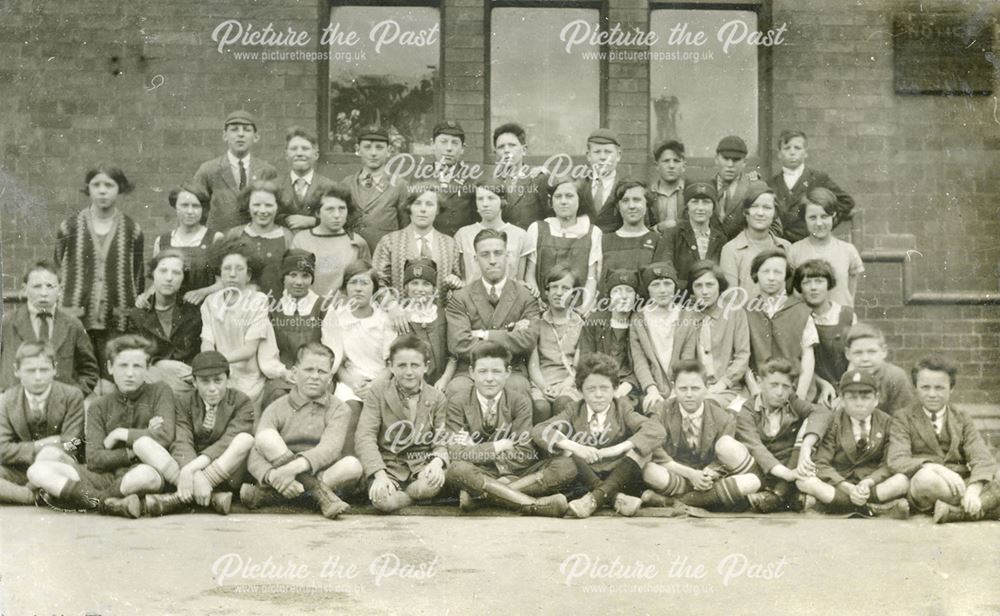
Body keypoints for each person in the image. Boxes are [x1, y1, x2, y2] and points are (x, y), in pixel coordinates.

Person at [27, 335, 177, 518]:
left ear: (147, 368)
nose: (129, 373)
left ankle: (92, 501)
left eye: (137, 366)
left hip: (140, 472)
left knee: (145, 476)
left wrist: (119, 434)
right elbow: (95, 458)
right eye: (123, 366)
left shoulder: (160, 391)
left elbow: (165, 435)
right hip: (101, 477)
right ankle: (106, 502)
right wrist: (133, 451)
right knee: (36, 471)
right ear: (110, 368)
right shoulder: (98, 406)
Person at [445, 341, 575, 517]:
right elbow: (456, 453)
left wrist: (476, 449)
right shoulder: (457, 402)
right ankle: (533, 505)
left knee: (566, 466)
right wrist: (499, 445)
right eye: (482, 371)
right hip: (479, 473)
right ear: (471, 373)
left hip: (514, 473)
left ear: (507, 373)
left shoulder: (519, 401)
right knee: (457, 470)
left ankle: (481, 499)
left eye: (496, 371)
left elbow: (523, 453)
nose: (489, 378)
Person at [531, 353, 665, 518]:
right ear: (580, 391)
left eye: (604, 388)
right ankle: (613, 497)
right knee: (566, 449)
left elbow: (656, 430)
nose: (599, 395)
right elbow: (540, 429)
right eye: (591, 389)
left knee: (642, 449)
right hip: (586, 473)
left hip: (619, 473)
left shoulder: (622, 407)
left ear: (615, 389)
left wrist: (616, 449)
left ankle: (595, 499)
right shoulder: (574, 409)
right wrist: (576, 447)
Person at [242, 343, 363, 519]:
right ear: (295, 372)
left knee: (352, 466)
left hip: (321, 472)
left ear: (330, 377)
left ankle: (271, 496)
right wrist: (271, 475)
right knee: (266, 437)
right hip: (283, 470)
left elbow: (329, 450)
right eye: (308, 370)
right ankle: (318, 495)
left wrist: (289, 471)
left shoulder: (339, 408)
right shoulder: (277, 407)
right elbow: (255, 452)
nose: (315, 376)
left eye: (322, 372)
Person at [55, 164, 144, 372]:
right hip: (76, 315)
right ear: (89, 188)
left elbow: (136, 274)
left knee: (112, 374)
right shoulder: (69, 227)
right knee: (77, 372)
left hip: (116, 319)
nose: (102, 190)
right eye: (96, 185)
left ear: (120, 188)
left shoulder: (132, 230)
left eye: (109, 185)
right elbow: (60, 264)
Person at [888, 357, 1000, 523]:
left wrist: (973, 491)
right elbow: (897, 459)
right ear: (916, 388)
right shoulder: (903, 417)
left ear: (951, 388)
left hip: (962, 483)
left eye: (939, 388)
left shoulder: (961, 417)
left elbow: (982, 458)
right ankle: (986, 505)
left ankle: (958, 510)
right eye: (925, 387)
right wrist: (936, 468)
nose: (932, 394)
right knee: (924, 479)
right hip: (930, 484)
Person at [144, 351, 256, 516]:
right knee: (143, 444)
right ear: (194, 382)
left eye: (218, 380)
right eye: (205, 381)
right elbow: (182, 441)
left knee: (244, 440)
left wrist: (191, 471)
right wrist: (194, 474)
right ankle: (210, 496)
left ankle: (179, 498)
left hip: (225, 473)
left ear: (228, 379)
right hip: (188, 470)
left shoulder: (242, 402)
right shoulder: (183, 402)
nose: (212, 388)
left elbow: (227, 441)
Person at [639, 360, 759, 512]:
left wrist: (709, 474)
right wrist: (690, 474)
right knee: (650, 471)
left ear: (707, 388)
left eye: (695, 388)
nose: (689, 395)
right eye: (683, 388)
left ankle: (677, 501)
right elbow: (656, 451)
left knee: (750, 480)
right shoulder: (661, 411)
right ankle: (713, 499)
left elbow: (722, 460)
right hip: (678, 475)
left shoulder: (723, 418)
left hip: (707, 481)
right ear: (674, 388)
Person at [796, 369, 910, 518]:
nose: (859, 404)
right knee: (804, 480)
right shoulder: (834, 421)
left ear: (876, 399)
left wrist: (868, 482)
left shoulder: (887, 422)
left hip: (871, 484)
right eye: (852, 398)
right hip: (840, 483)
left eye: (865, 397)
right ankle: (870, 507)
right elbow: (822, 463)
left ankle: (837, 505)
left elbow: (888, 463)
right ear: (842, 400)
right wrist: (847, 487)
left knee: (902, 480)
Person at [355, 335, 450, 512]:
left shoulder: (436, 397)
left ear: (426, 367)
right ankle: (411, 499)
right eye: (401, 365)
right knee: (382, 499)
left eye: (415, 365)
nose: (408, 372)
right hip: (388, 464)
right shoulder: (378, 391)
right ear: (390, 366)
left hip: (421, 465)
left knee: (431, 484)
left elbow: (441, 440)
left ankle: (407, 497)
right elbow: (365, 437)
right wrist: (379, 475)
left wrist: (436, 462)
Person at [446, 229, 540, 397]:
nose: (492, 261)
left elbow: (529, 340)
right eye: (485, 255)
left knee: (517, 389)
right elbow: (458, 343)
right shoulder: (461, 298)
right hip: (470, 371)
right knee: (458, 389)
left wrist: (484, 334)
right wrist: (507, 336)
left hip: (511, 370)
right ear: (476, 259)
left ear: (508, 256)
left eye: (498, 253)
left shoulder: (525, 296)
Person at [735, 357, 832, 513]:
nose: (780, 392)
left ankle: (779, 495)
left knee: (811, 426)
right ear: (760, 382)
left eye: (786, 387)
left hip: (792, 465)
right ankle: (785, 495)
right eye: (773, 385)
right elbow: (756, 447)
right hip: (764, 470)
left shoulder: (792, 403)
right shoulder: (748, 410)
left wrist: (806, 447)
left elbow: (822, 412)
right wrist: (787, 474)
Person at [200, 240, 286, 411]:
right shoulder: (210, 302)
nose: (232, 274)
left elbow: (249, 349)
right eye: (227, 269)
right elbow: (207, 341)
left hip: (248, 377)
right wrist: (210, 364)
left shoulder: (257, 300)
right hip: (218, 373)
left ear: (248, 275)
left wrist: (217, 361)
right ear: (220, 273)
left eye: (239, 269)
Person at [321, 260, 396, 453]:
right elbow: (336, 362)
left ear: (374, 288)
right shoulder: (336, 316)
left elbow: (392, 364)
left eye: (365, 283)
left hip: (381, 381)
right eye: (353, 283)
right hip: (350, 381)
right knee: (350, 413)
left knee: (381, 419)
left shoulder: (385, 319)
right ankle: (349, 469)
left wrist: (374, 385)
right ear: (345, 287)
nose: (358, 289)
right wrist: (354, 383)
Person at [0, 343, 85, 504]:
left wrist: (47, 450)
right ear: (17, 371)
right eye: (30, 370)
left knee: (50, 453)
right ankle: (30, 496)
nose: (38, 377)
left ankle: (20, 493)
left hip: (57, 466)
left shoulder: (72, 396)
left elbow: (71, 444)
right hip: (20, 469)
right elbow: (2, 449)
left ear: (54, 369)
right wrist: (41, 444)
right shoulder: (7, 399)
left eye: (44, 370)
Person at [0, 260, 98, 395]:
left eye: (50, 286)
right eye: (37, 286)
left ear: (60, 289)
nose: (44, 293)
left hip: (60, 409)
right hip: (15, 409)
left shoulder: (73, 325)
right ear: (24, 289)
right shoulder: (6, 323)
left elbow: (89, 370)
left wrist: (72, 397)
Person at [744, 250, 825, 403]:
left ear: (786, 276)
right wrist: (755, 391)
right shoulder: (746, 311)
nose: (771, 277)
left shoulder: (801, 311)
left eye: (778, 272)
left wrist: (799, 395)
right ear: (756, 275)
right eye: (765, 271)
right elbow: (743, 357)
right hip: (756, 389)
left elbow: (808, 357)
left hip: (793, 389)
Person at [673, 260, 750, 409]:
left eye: (710, 285)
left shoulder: (735, 313)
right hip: (694, 388)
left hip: (727, 388)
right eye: (698, 286)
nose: (705, 291)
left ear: (720, 286)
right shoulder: (686, 315)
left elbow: (742, 354)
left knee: (709, 406)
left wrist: (724, 383)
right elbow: (684, 356)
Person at [126, 250, 202, 395]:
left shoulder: (194, 312)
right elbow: (134, 355)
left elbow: (204, 351)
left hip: (188, 383)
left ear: (183, 278)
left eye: (176, 273)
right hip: (152, 384)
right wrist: (160, 363)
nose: (169, 278)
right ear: (152, 275)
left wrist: (197, 371)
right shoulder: (138, 315)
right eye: (163, 271)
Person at [191, 110, 279, 232]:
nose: (240, 134)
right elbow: (195, 206)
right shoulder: (209, 169)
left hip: (255, 238)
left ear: (256, 137)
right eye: (234, 129)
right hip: (220, 239)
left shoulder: (267, 171)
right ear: (225, 135)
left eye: (247, 130)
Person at [523, 175, 602, 309]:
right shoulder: (537, 229)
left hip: (577, 310)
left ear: (580, 200)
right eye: (558, 197)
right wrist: (537, 303)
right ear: (551, 202)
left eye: (569, 196)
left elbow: (591, 278)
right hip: (542, 307)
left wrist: (583, 308)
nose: (563, 201)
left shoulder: (592, 232)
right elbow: (530, 274)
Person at [371, 184, 463, 298]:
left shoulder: (449, 244)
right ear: (409, 207)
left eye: (429, 204)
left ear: (438, 209)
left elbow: (457, 281)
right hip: (399, 312)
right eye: (417, 203)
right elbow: (378, 282)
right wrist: (392, 307)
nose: (423, 209)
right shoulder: (389, 241)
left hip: (439, 312)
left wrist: (455, 281)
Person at [768, 130, 855, 243]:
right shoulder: (771, 184)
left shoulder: (817, 178)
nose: (792, 152)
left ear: (805, 153)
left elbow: (846, 202)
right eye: (787, 148)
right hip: (780, 245)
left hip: (810, 243)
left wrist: (825, 224)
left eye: (797, 148)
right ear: (779, 154)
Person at [290, 185, 371, 300]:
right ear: (318, 213)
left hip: (345, 310)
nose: (337, 215)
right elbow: (294, 280)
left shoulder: (357, 242)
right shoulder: (301, 239)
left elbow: (366, 281)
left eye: (342, 209)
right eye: (330, 209)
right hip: (310, 309)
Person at [788, 187, 864, 307]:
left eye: (824, 217)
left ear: (833, 216)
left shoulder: (848, 251)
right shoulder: (794, 251)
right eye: (812, 217)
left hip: (839, 322)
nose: (819, 223)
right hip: (806, 322)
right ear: (804, 219)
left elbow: (850, 292)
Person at [528, 264, 585, 424]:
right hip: (542, 381)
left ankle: (565, 447)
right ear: (546, 291)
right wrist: (543, 386)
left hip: (570, 382)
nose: (559, 293)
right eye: (554, 287)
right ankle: (541, 449)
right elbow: (533, 365)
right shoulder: (536, 323)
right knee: (540, 407)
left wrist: (564, 385)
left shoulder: (581, 324)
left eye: (565, 288)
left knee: (563, 403)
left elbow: (577, 367)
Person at [580, 270, 642, 412]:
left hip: (629, 387)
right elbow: (586, 358)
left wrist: (627, 385)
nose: (623, 296)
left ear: (636, 296)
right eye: (617, 291)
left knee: (622, 407)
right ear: (609, 295)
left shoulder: (640, 324)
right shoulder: (595, 321)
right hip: (598, 383)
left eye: (629, 291)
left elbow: (643, 363)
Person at [222, 180, 294, 300]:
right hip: (241, 307)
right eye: (256, 205)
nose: (262, 211)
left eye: (269, 205)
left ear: (278, 207)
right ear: (247, 205)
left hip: (277, 306)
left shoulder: (288, 237)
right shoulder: (234, 234)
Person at [151, 187, 224, 304]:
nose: (190, 211)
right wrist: (145, 296)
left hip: (206, 308)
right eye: (184, 205)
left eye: (196, 206)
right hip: (171, 309)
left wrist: (203, 292)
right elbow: (156, 283)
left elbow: (224, 282)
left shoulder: (215, 239)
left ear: (203, 209)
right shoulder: (162, 241)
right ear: (175, 207)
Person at [342, 124, 409, 250]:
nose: (373, 153)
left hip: (386, 255)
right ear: (358, 149)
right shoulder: (347, 184)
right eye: (367, 147)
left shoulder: (399, 185)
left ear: (389, 150)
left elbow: (405, 226)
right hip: (353, 254)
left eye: (379, 147)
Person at [793, 259, 856, 389]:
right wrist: (821, 384)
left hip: (845, 388)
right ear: (800, 288)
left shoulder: (847, 316)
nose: (813, 287)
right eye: (806, 283)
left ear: (829, 284)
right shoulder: (797, 317)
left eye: (819, 281)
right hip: (810, 389)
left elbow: (855, 359)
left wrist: (844, 391)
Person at [651, 181, 727, 290]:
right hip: (680, 298)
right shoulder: (673, 234)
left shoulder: (720, 238)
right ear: (687, 206)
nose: (700, 208)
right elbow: (663, 271)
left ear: (713, 207)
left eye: (706, 202)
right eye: (695, 202)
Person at [629, 263, 683, 413]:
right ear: (648, 289)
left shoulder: (686, 316)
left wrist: (677, 390)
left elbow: (688, 356)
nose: (663, 290)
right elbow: (639, 360)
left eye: (667, 283)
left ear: (675, 287)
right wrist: (651, 388)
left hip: (681, 387)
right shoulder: (638, 319)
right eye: (655, 285)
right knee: (654, 409)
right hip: (653, 386)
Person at [719, 185, 791, 296]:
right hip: (745, 312)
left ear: (775, 213)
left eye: (767, 208)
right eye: (754, 207)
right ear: (745, 212)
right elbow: (730, 298)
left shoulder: (785, 247)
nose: (760, 213)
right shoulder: (731, 249)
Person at [455, 181, 529, 284]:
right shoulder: (463, 234)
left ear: (502, 202)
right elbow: (463, 278)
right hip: (471, 297)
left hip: (509, 297)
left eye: (491, 198)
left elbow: (520, 280)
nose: (485, 204)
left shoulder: (520, 235)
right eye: (480, 199)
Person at [401, 258, 456, 391]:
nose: (420, 289)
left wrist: (445, 379)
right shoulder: (400, 318)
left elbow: (453, 357)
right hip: (409, 385)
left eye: (426, 284)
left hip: (441, 384)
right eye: (414, 283)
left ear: (434, 289)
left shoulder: (445, 315)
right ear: (406, 288)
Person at [598, 181, 659, 297]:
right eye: (625, 201)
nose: (631, 206)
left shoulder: (657, 240)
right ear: (618, 206)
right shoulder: (603, 240)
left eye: (637, 200)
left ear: (647, 204)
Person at [269, 250, 326, 374]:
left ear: (312, 279)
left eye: (305, 276)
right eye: (293, 275)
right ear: (283, 277)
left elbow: (334, 349)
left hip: (316, 374)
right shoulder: (273, 308)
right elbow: (267, 354)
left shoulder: (323, 307)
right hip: (283, 375)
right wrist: (283, 373)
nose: (299, 282)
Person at [843, 323, 917, 415]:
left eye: (872, 352)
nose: (865, 359)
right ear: (848, 354)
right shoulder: (848, 377)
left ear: (884, 351)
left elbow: (903, 418)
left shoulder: (896, 377)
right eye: (858, 353)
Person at [276, 126, 339, 231]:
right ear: (286, 155)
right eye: (293, 149)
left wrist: (313, 221)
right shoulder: (275, 185)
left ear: (316, 155)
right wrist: (286, 219)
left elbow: (341, 218)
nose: (299, 153)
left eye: (305, 149)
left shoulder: (330, 186)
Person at [712, 135, 774, 240]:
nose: (730, 164)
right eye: (726, 158)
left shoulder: (756, 187)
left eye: (736, 160)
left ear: (744, 162)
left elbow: (775, 227)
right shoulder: (706, 186)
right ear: (716, 159)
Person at [491, 122, 550, 230]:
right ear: (496, 153)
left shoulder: (538, 178)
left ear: (524, 150)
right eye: (501, 147)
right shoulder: (492, 183)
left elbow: (550, 217)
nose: (506, 150)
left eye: (512, 145)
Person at [429, 121, 477, 237]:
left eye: (455, 143)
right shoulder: (419, 179)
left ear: (462, 148)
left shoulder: (471, 181)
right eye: (443, 142)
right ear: (432, 144)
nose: (449, 148)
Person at [578, 129, 626, 233]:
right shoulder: (580, 186)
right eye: (597, 152)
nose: (603, 157)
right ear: (588, 156)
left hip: (614, 246)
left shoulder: (627, 187)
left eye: (608, 152)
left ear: (618, 156)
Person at [649, 140, 687, 232]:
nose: (671, 166)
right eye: (666, 161)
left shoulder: (689, 192)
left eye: (676, 161)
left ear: (684, 166)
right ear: (657, 165)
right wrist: (657, 228)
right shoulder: (648, 193)